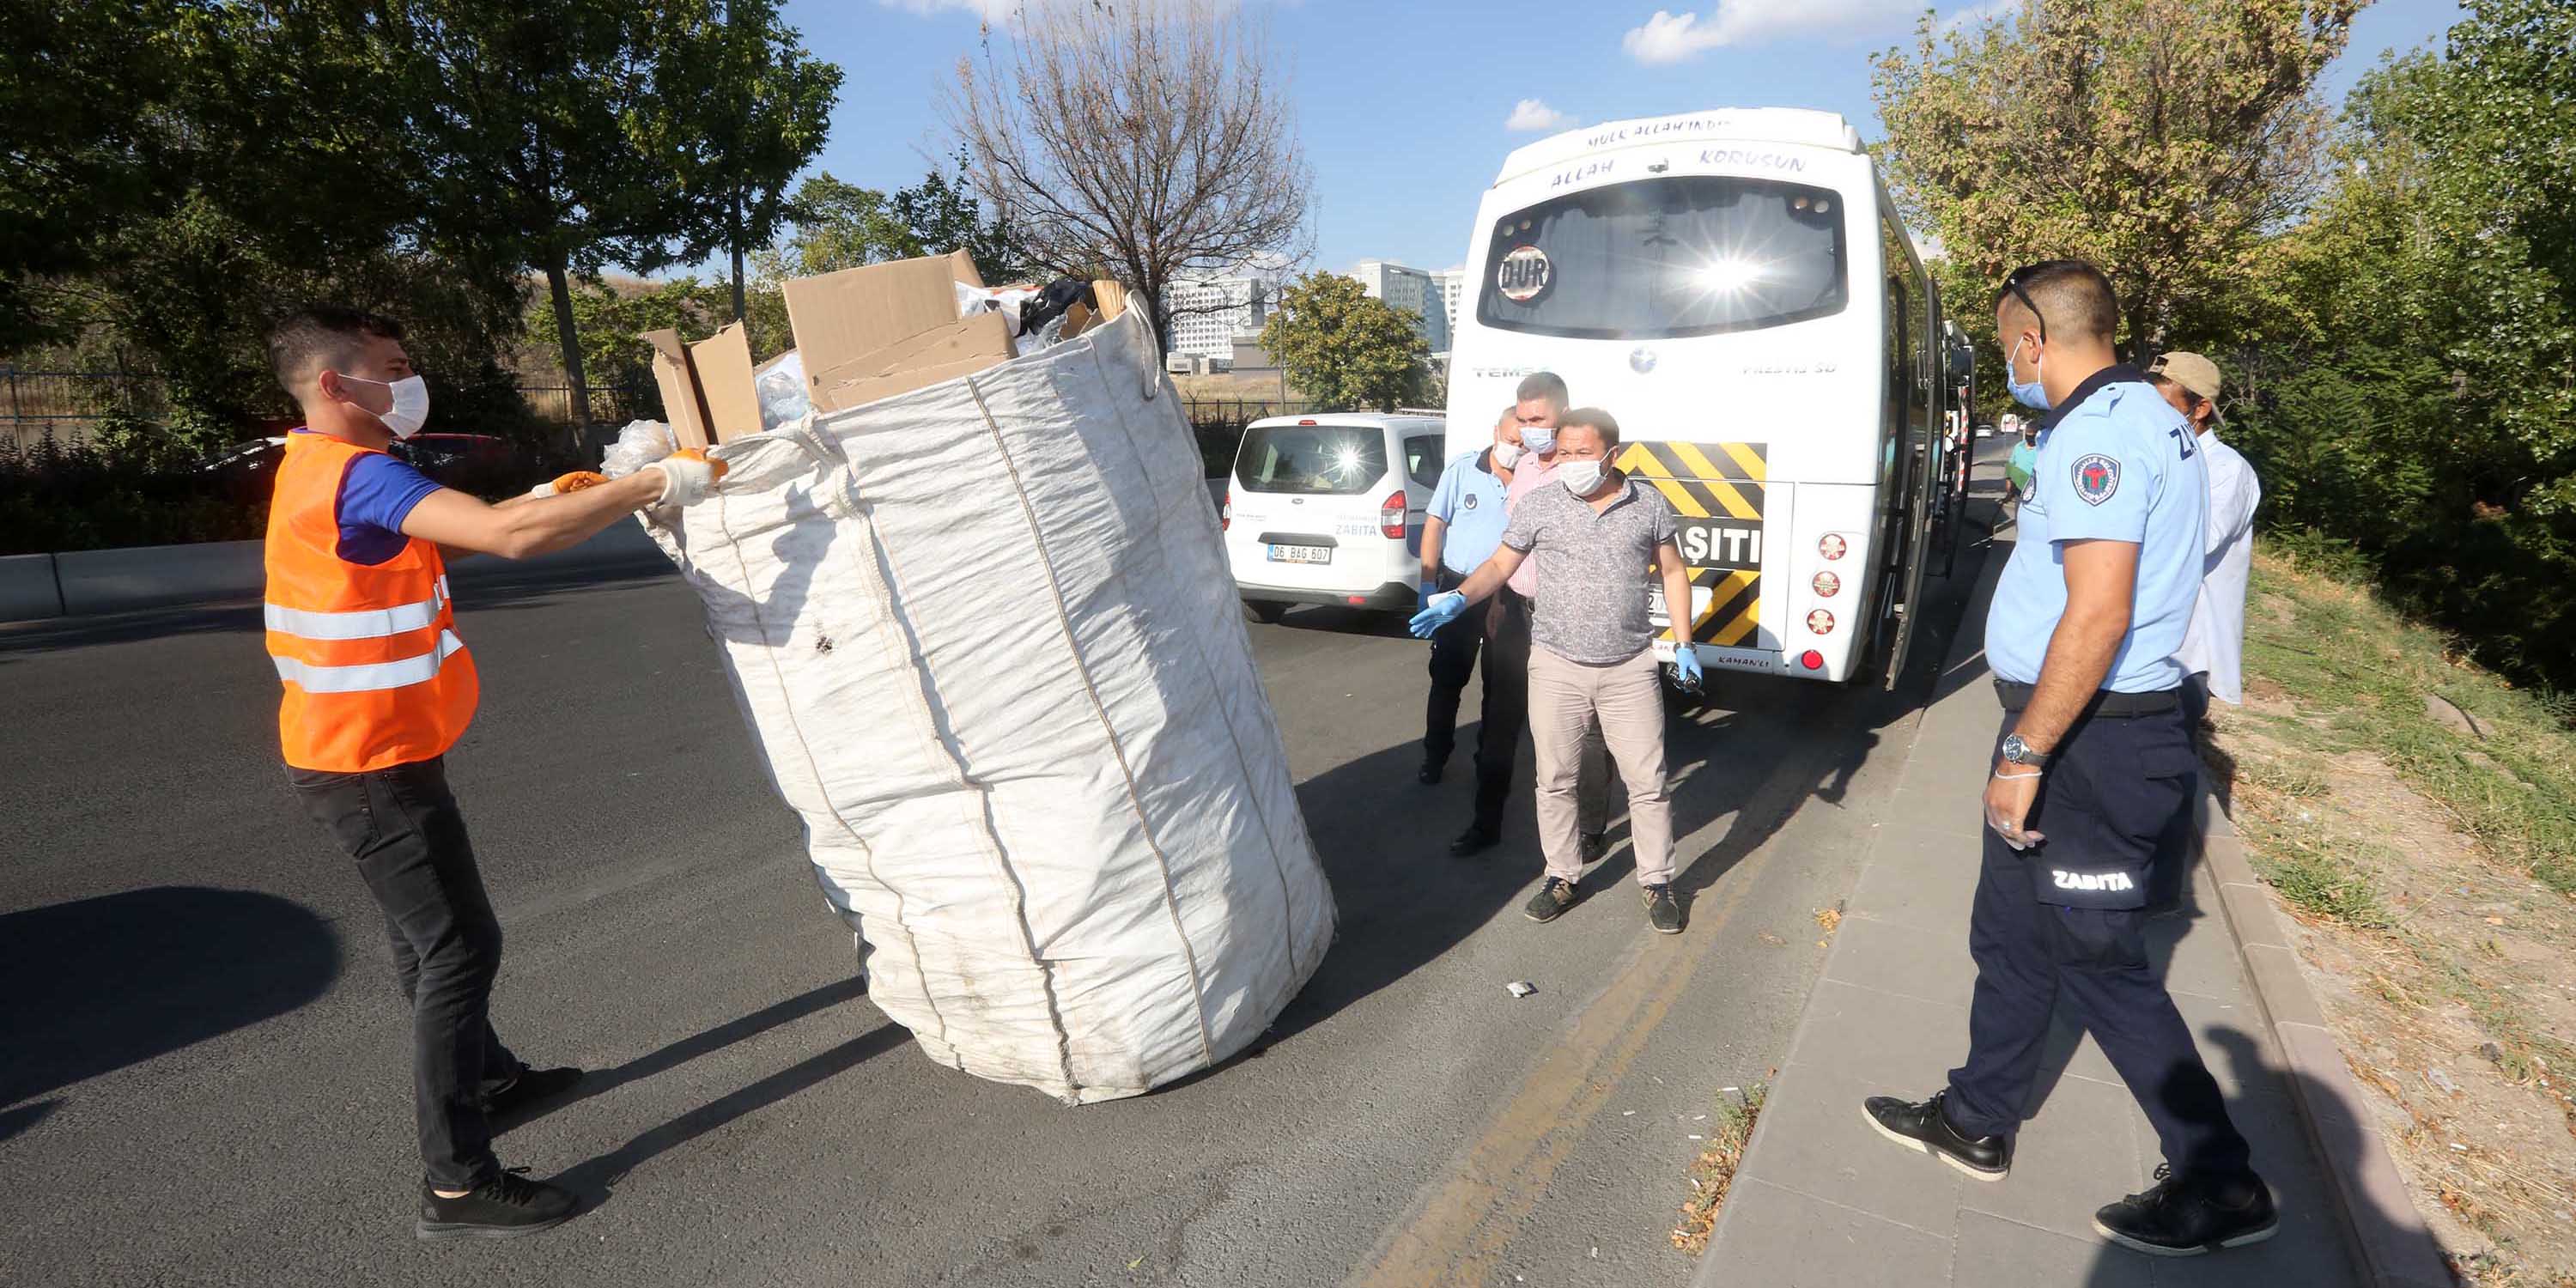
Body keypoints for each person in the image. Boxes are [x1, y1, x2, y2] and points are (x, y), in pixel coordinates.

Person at [262, 305, 724, 1239]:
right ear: (334, 385)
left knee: (421, 938)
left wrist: (561, 489)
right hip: (368, 763)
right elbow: (510, 542)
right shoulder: (357, 477)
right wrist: (648, 485)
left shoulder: (325, 469)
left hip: (368, 749)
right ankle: (458, 1182)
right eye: (391, 367)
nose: (408, 378)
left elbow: (494, 522)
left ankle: (489, 1078)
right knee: (458, 949)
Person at [1860, 262, 2276, 1256]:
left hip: (2094, 737)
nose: (2009, 362)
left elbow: (2099, 613)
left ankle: (2223, 1183)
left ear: (2034, 339)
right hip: (2071, 726)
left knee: (2100, 964)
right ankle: (1976, 1118)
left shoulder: (2098, 432)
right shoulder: (2152, 417)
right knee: (2008, 935)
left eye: (2008, 343)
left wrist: (2024, 750)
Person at [1410, 408, 1701, 934]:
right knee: (1555, 780)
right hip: (1555, 665)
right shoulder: (1540, 504)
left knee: (1648, 782)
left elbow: (1674, 571)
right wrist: (1457, 597)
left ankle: (1657, 880)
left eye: (1581, 453)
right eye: (1562, 452)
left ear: (1612, 455)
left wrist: (1683, 644)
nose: (1569, 462)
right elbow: (1501, 564)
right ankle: (1562, 876)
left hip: (1629, 666)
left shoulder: (1649, 505)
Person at [1443, 372, 1613, 860]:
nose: (1529, 428)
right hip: (1515, 613)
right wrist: (1481, 598)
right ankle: (1485, 822)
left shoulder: (1584, 473)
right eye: (1522, 418)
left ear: (1563, 414)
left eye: (1538, 419)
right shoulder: (1526, 470)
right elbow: (1509, 544)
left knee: (1582, 729)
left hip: (1569, 619)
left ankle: (1589, 827)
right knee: (1499, 720)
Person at [2147, 351, 2260, 731]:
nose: (2152, 416)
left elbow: (2199, 541)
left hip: (2187, 653)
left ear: (2199, 409)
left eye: (2164, 406)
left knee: (2169, 761)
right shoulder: (2159, 458)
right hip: (2143, 640)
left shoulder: (2228, 470)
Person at [1416, 405, 1522, 787]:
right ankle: (1435, 755)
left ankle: (1488, 758)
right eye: (1511, 441)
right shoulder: (1463, 470)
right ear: (1496, 432)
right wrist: (1428, 584)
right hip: (1459, 588)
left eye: (1524, 444)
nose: (1517, 449)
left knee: (1501, 685)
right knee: (1447, 679)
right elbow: (1434, 525)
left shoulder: (1532, 478)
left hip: (1509, 593)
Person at [2004, 422, 2038, 507]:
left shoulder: (2041, 449)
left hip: (2033, 490)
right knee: (2019, 514)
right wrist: (2008, 484)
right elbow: (2010, 466)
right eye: (2028, 435)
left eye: (2032, 436)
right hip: (2017, 488)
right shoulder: (2019, 447)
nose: (2030, 438)